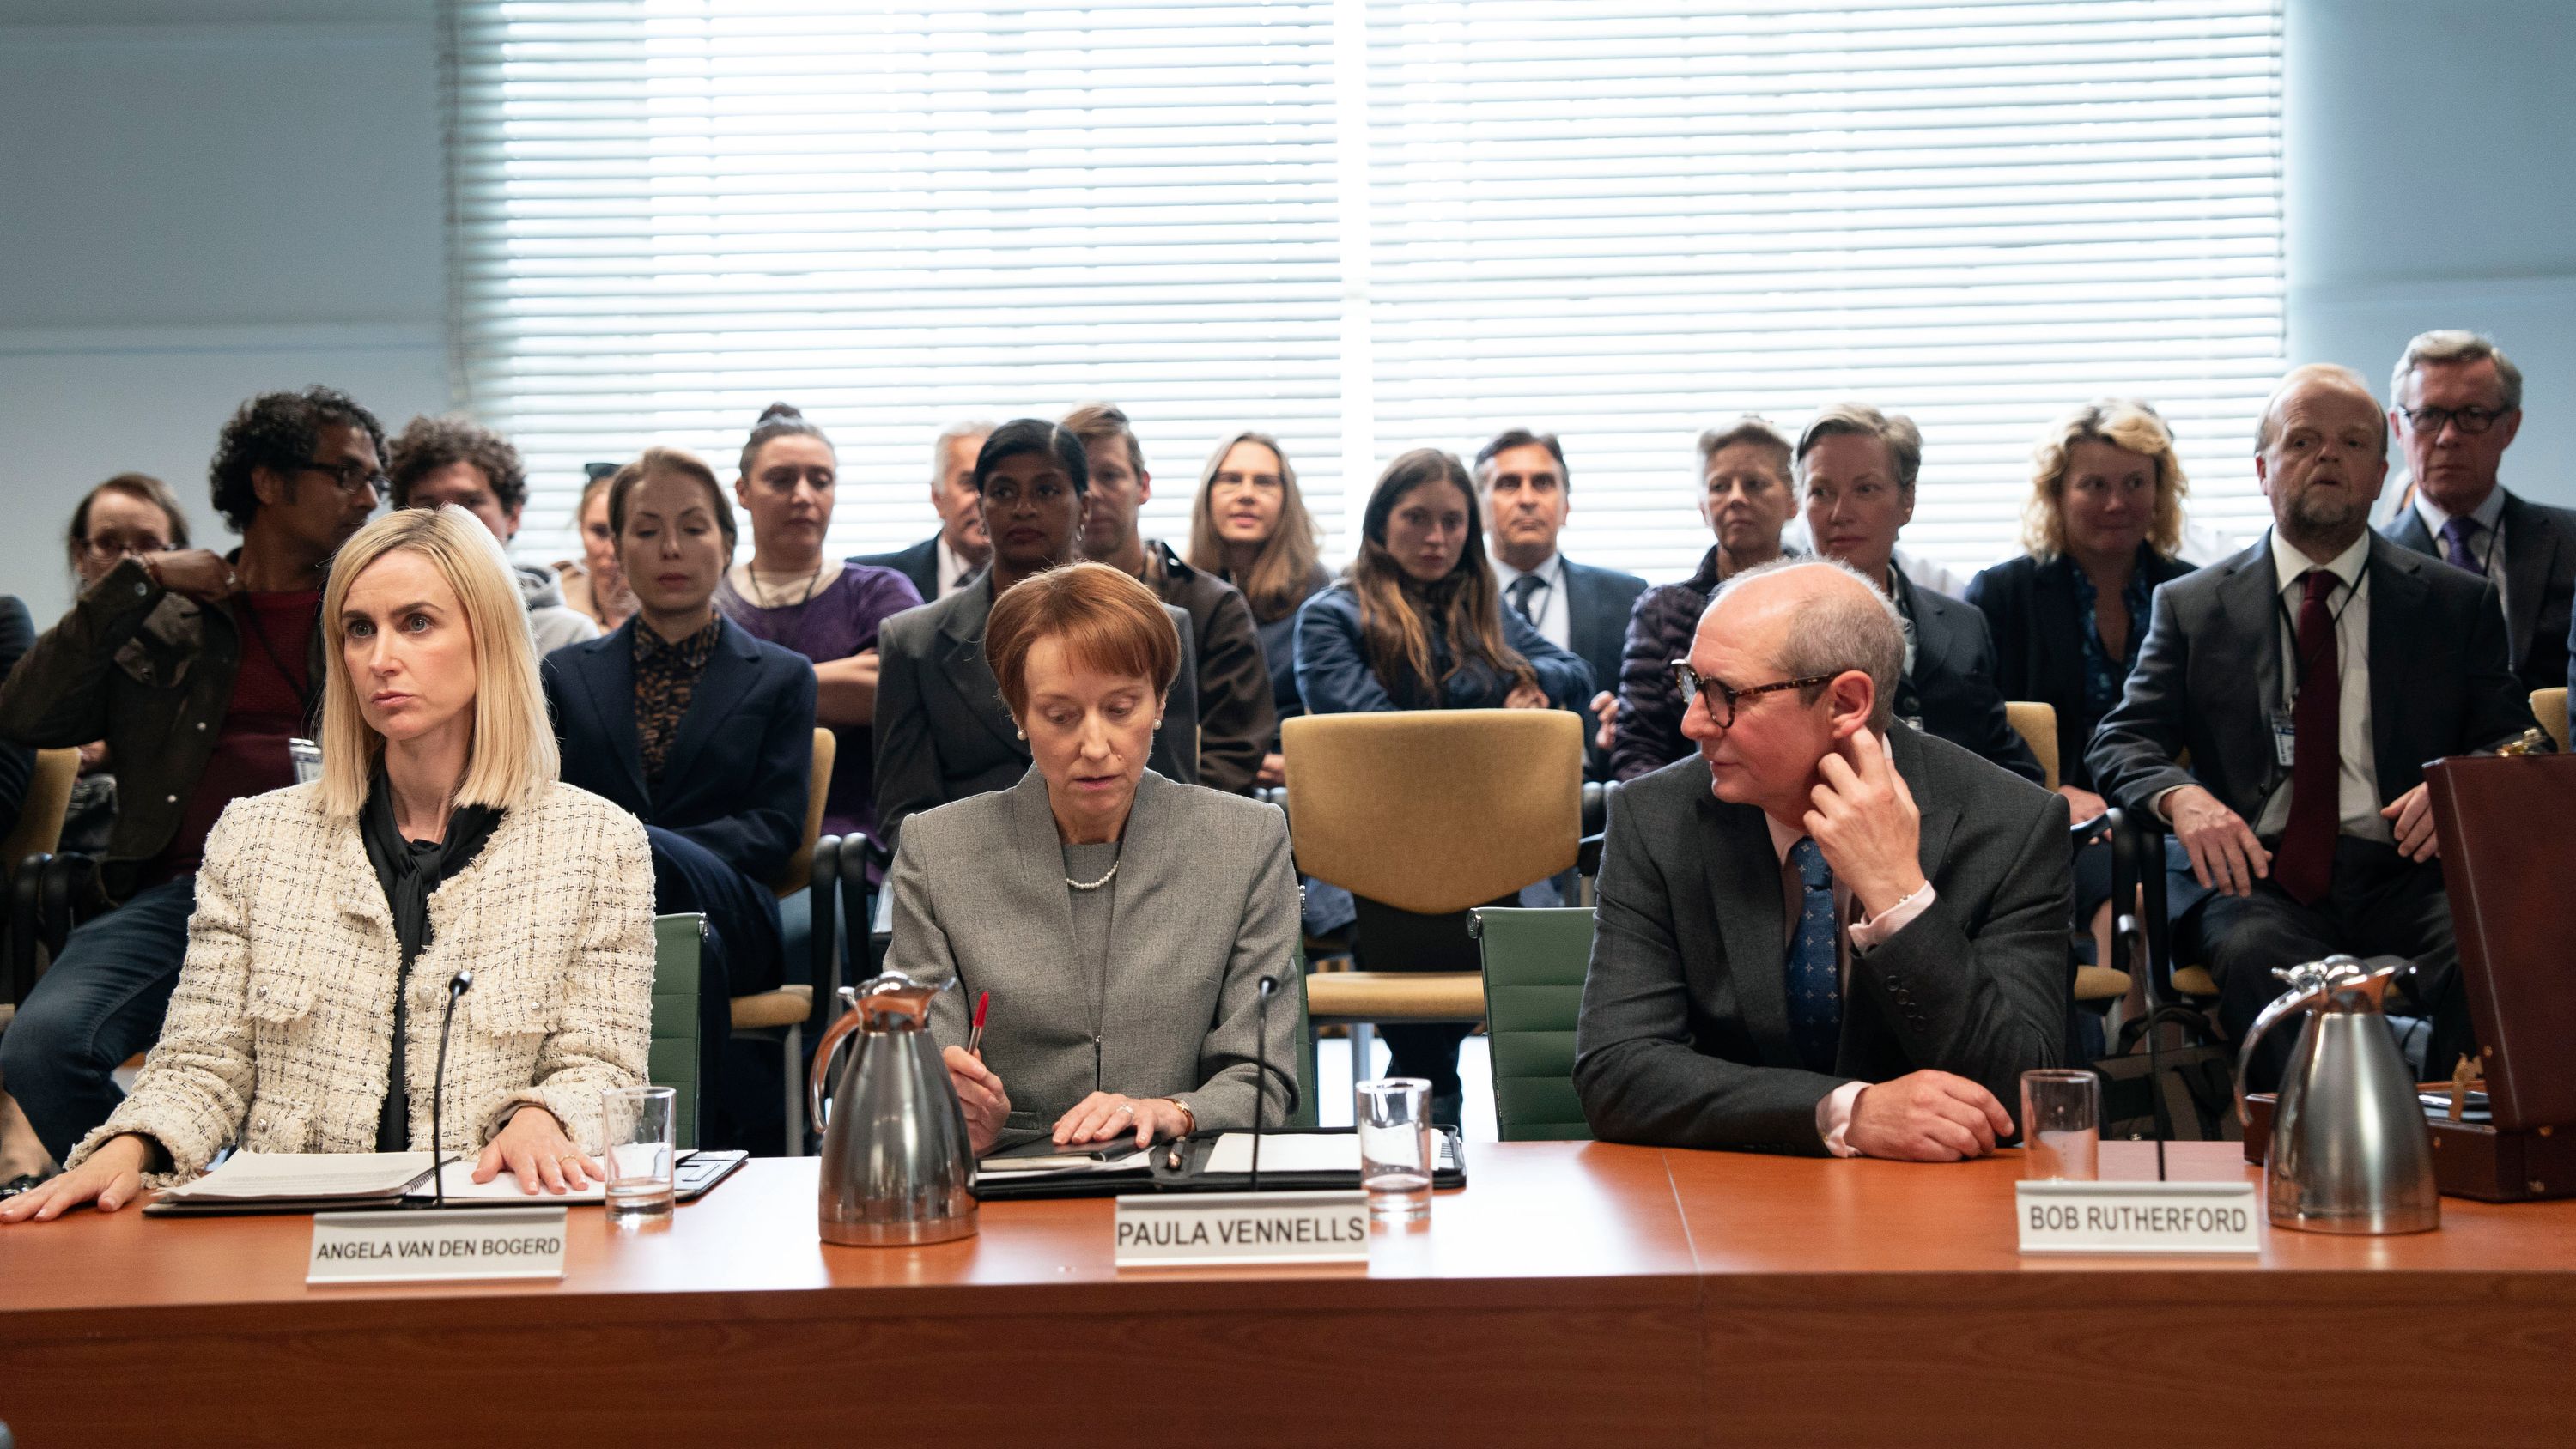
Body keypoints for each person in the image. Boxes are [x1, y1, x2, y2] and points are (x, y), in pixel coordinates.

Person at [2, 506, 653, 1220]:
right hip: (297, 1237)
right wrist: (131, 1145)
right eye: (359, 629)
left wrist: (549, 1115)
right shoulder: (255, 838)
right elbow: (202, 1062)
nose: (380, 658)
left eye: (417, 623)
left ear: (490, 637)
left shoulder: (597, 842)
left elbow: (602, 1066)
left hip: (497, 1223)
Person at [2087, 364, 2530, 1090]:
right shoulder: (2194, 606)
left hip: (2411, 875)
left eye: (2353, 442)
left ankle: (2467, 1150)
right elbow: (2122, 739)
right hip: (2261, 877)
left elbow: (2515, 741)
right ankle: (2314, 1157)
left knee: (2496, 947)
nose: (2328, 457)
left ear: (2384, 471)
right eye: (2303, 441)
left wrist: (2463, 789)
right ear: (2263, 469)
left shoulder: (2456, 603)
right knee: (2257, 953)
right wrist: (2183, 799)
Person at [0, 387, 383, 1170]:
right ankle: (189, 1187)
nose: (370, 497)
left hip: (347, 892)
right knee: (40, 1047)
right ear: (268, 483)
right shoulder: (163, 613)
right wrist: (136, 579)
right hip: (179, 894)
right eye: (346, 474)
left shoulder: (372, 610)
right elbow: (27, 714)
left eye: (373, 478)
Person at [1574, 557, 2069, 1157]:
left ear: (1845, 703)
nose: (1691, 721)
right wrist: (1847, 1111)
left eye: (1725, 694)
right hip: (1728, 1209)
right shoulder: (1654, 816)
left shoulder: (2012, 824)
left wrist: (1899, 898)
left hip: (1939, 1210)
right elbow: (1616, 1072)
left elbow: (2023, 1093)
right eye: (1691, 683)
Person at [890, 562, 1300, 1156]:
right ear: (1017, 713)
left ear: (1160, 702)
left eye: (1121, 708)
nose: (1095, 746)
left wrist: (1171, 1111)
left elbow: (1264, 1077)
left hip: (1183, 1181)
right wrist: (958, 1109)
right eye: (1060, 716)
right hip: (1008, 1184)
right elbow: (930, 1066)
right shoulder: (938, 850)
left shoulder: (1246, 841)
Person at [1296, 448, 1593, 1117]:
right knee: (1422, 953)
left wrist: (1536, 685)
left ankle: (1451, 1104)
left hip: (1486, 844)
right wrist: (1497, 717)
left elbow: (1573, 669)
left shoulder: (1478, 605)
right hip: (1380, 856)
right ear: (1380, 523)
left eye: (1453, 522)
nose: (1437, 538)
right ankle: (1433, 1099)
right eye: (1418, 519)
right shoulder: (1332, 615)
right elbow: (1380, 742)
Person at [542, 446, 816, 1153]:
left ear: (727, 542)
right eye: (645, 529)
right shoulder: (565, 675)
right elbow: (540, 810)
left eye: (693, 527)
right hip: (592, 916)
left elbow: (774, 828)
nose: (670, 547)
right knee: (687, 942)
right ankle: (691, 1150)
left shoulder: (782, 676)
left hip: (736, 899)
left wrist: (640, 850)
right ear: (615, 548)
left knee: (673, 897)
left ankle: (646, 1150)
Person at [875, 419, 1203, 846]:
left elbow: (1174, 797)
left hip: (1128, 872)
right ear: (981, 505)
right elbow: (903, 817)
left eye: (1046, 490)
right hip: (971, 876)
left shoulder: (1159, 628)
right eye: (1003, 491)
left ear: (1084, 506)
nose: (1023, 508)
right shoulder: (913, 642)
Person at [1966, 401, 2199, 964]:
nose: (2116, 503)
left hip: (2176, 818)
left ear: (2160, 491)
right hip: (2051, 823)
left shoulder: (2199, 594)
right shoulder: (2002, 595)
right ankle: (2137, 1052)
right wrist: (2051, 794)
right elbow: (1977, 728)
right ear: (2056, 494)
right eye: (2093, 484)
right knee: (2134, 900)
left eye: (2134, 483)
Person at [1797, 403, 2044, 784]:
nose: (1840, 513)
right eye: (1821, 492)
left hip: (1961, 831)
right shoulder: (1764, 625)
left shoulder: (1964, 624)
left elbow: (2007, 761)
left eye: (1865, 489)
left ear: (1906, 500)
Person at [714, 404, 923, 847]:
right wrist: (839, 681)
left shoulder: (878, 590)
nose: (803, 495)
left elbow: (898, 691)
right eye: (781, 479)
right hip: (727, 834)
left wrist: (740, 693)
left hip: (855, 841)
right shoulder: (708, 602)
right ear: (743, 491)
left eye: (820, 480)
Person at [1063, 402, 1273, 796]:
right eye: (1076, 479)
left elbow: (1233, 751)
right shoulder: (1035, 610)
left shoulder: (1213, 607)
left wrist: (1166, 828)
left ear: (1143, 486)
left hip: (1186, 831)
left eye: (1110, 475)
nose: (1092, 493)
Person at [2373, 332, 2573, 707]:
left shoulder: (2570, 543)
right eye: (2428, 416)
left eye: (2473, 415)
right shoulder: (2371, 562)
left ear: (2510, 427)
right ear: (2398, 428)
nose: (2449, 437)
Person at [1613, 418, 1801, 781]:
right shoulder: (1662, 610)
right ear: (1703, 507)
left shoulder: (1820, 601)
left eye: (1755, 483)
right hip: (1692, 806)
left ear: (1792, 501)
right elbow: (1638, 746)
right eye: (1719, 486)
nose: (1735, 497)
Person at [1477, 428, 1646, 781]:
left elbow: (1651, 714)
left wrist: (1629, 718)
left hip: (1594, 796)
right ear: (1478, 509)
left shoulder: (1628, 597)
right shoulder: (1450, 605)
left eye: (1543, 484)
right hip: (1478, 786)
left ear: (1566, 505)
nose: (1527, 499)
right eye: (1509, 484)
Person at [1187, 428, 1333, 791]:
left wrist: (1302, 762)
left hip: (1299, 782)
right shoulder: (1177, 590)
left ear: (1287, 499)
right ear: (1207, 495)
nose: (1247, 495)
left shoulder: (1323, 593)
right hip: (1204, 779)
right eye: (1231, 480)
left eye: (1264, 482)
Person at [386, 414, 600, 655]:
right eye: (430, 505)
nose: (451, 520)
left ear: (513, 516)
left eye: (470, 503)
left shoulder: (566, 637)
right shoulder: (381, 625)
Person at [855, 420, 995, 603]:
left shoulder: (1041, 580)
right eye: (970, 484)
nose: (983, 500)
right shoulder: (868, 582)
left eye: (998, 488)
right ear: (937, 497)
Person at [556, 466, 636, 634]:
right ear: (581, 528)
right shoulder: (554, 605)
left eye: (627, 531)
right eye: (600, 532)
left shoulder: (678, 605)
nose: (612, 550)